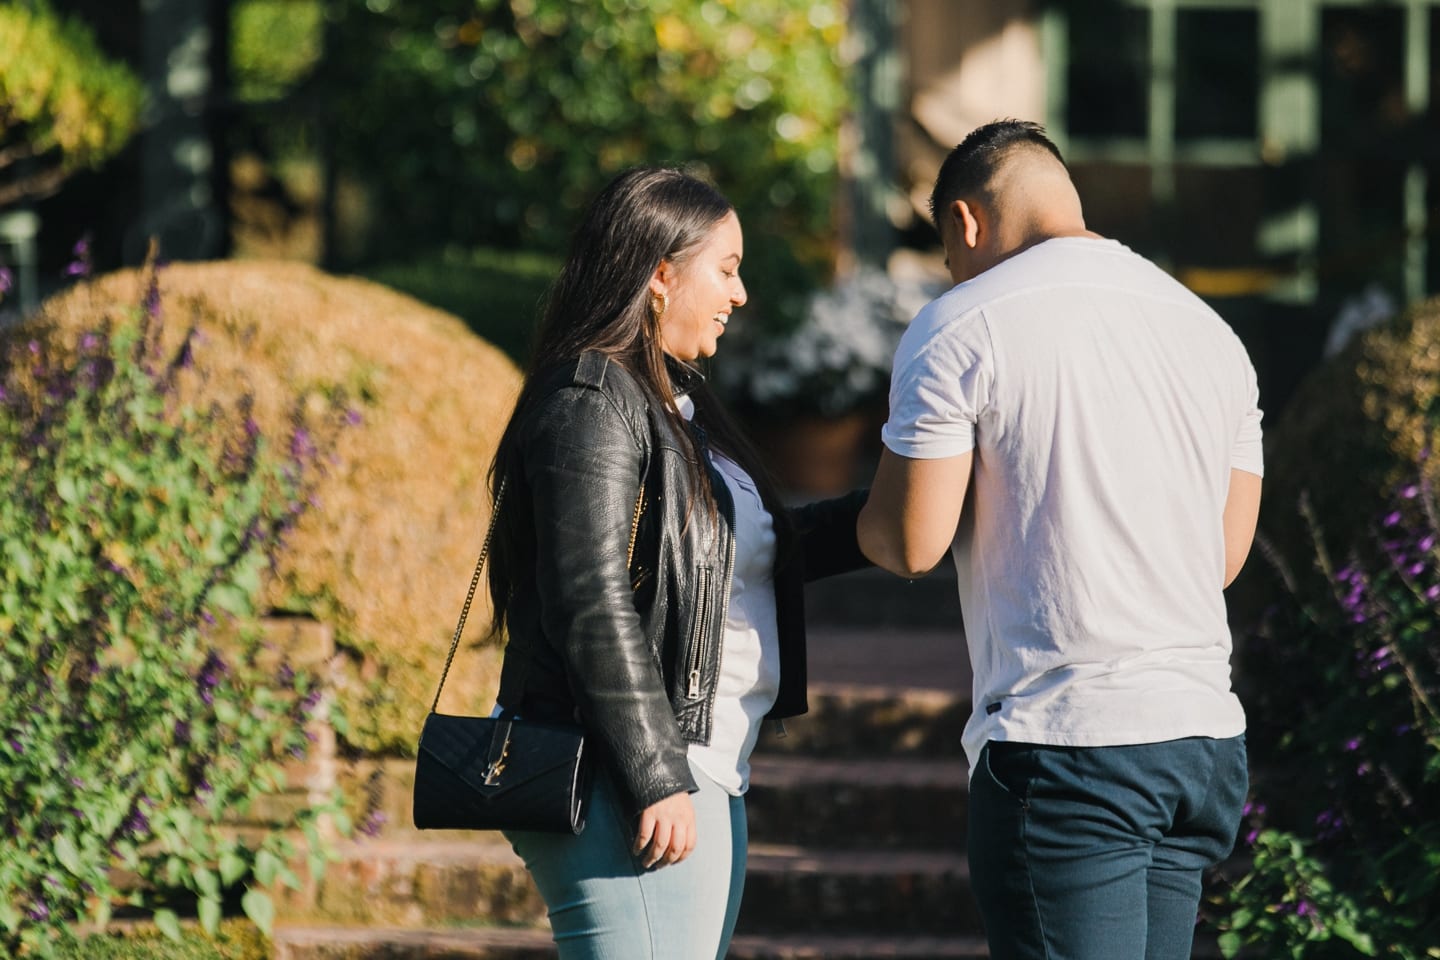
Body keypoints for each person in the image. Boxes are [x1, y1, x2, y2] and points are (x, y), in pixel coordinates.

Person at [856, 120, 1264, 960]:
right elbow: (1220, 559)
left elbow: (909, 543)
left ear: (966, 223)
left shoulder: (961, 323)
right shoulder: (1210, 333)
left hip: (1071, 744)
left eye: (948, 249)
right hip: (1200, 739)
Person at [484, 166, 869, 959]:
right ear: (660, 275)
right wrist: (654, 773)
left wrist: (910, 506)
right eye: (725, 269)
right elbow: (587, 596)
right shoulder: (592, 401)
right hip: (623, 772)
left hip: (700, 762)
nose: (741, 294)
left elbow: (750, 552)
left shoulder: (674, 408)